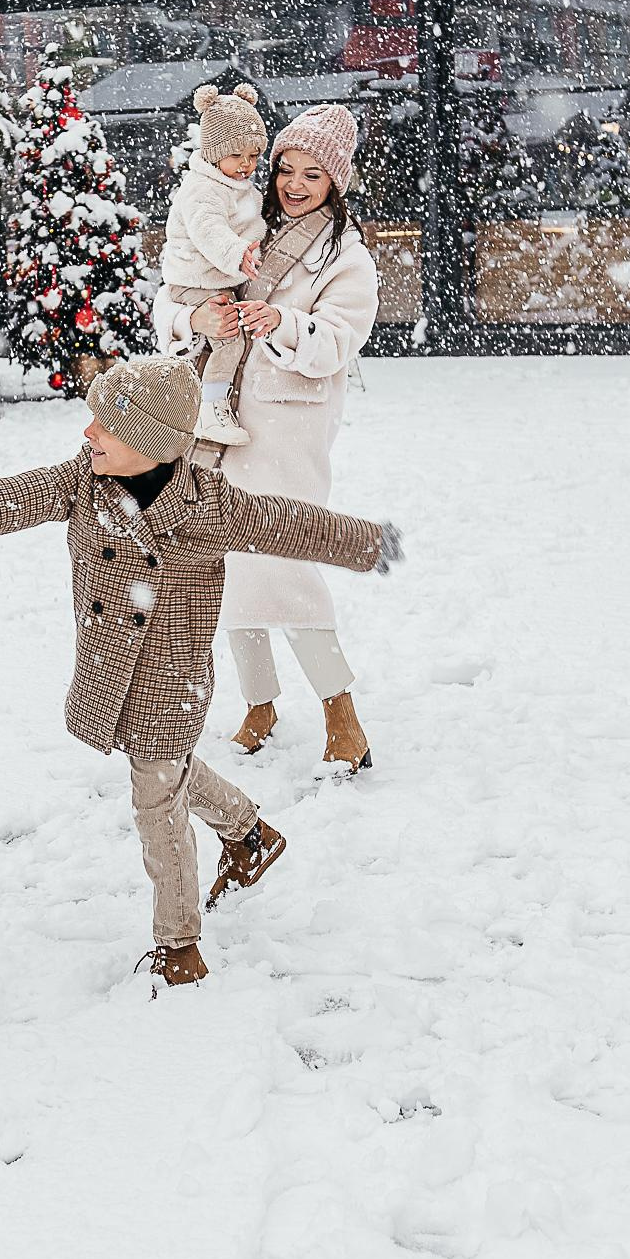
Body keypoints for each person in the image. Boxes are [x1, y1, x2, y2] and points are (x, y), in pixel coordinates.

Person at [0, 357, 401, 988]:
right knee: (166, 772)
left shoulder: (209, 506)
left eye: (105, 425)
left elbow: (288, 523)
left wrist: (364, 542)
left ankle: (179, 944)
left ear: (152, 442)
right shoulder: (84, 483)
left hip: (174, 680)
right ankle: (249, 835)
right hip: (109, 668)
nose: (87, 434)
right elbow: (15, 495)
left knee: (158, 807)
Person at [155, 103, 384, 773]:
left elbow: (338, 341)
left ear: (336, 182)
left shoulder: (348, 258)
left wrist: (280, 321)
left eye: (313, 174)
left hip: (285, 432)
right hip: (213, 426)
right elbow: (176, 291)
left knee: (284, 568)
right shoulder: (243, 221)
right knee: (220, 568)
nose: (293, 183)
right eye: (286, 168)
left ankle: (343, 715)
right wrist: (192, 315)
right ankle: (259, 706)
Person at [160, 84, 269, 447]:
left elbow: (251, 222)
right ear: (213, 153)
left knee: (220, 342)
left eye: (253, 154)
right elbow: (210, 231)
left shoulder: (238, 186)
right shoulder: (202, 189)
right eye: (236, 154)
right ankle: (211, 410)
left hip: (213, 278)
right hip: (195, 280)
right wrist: (238, 254)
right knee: (228, 340)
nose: (246, 164)